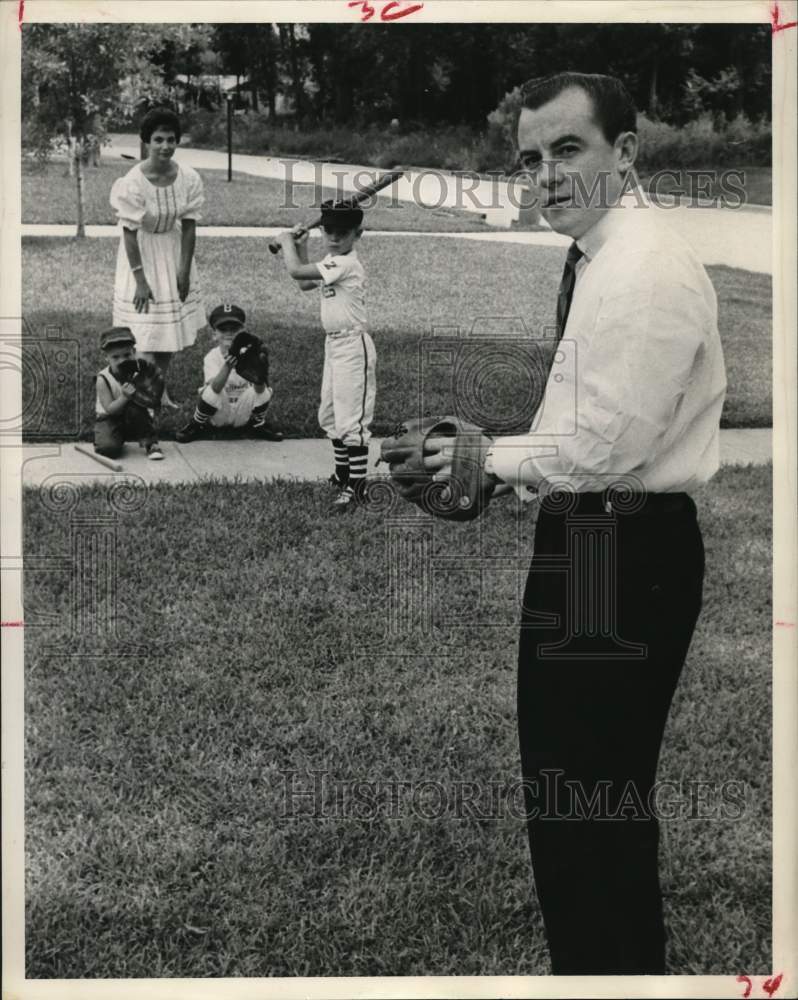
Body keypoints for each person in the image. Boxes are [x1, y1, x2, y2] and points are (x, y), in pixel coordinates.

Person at [399, 72, 727, 973]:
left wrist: (482, 460)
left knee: (589, 803)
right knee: (575, 798)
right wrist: (506, 465)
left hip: (624, 548)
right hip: (594, 541)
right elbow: (582, 433)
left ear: (627, 152)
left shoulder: (645, 269)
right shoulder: (599, 256)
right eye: (530, 159)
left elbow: (607, 449)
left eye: (567, 149)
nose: (544, 175)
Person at [277, 200, 376, 511]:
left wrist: (284, 243)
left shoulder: (346, 263)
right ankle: (342, 474)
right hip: (333, 345)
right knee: (329, 414)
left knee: (351, 420)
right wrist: (302, 246)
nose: (334, 238)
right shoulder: (333, 260)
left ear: (357, 234)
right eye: (328, 231)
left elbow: (295, 272)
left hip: (352, 346)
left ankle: (357, 486)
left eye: (342, 233)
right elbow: (307, 282)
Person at [110, 107, 206, 409]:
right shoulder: (132, 181)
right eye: (158, 139)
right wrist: (140, 280)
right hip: (142, 254)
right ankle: (142, 395)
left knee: (167, 334)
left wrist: (184, 270)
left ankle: (160, 391)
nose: (165, 146)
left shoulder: (189, 177)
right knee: (146, 334)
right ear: (146, 142)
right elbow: (128, 233)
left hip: (173, 251)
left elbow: (189, 227)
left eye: (171, 139)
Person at [176, 303, 283, 442]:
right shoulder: (212, 357)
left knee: (264, 390)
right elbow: (215, 388)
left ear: (243, 332)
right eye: (223, 329)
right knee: (210, 390)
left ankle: (258, 424)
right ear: (214, 334)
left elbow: (259, 391)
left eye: (234, 328)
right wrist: (228, 366)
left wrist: (260, 376)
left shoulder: (250, 355)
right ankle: (197, 424)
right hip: (219, 414)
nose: (229, 333)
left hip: (242, 413)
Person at [94, 326, 164, 461]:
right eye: (115, 357)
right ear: (106, 358)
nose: (122, 361)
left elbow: (150, 397)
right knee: (108, 449)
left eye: (127, 355)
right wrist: (124, 397)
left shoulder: (140, 372)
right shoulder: (103, 379)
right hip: (109, 417)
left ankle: (151, 443)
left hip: (134, 412)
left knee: (137, 411)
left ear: (134, 352)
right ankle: (117, 435)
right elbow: (110, 409)